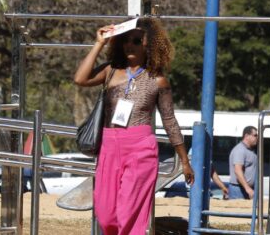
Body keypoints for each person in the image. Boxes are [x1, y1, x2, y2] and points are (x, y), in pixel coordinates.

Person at [74, 18, 194, 235]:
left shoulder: (158, 80)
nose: (130, 45)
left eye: (137, 40)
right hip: (109, 146)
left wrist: (184, 161)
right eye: (126, 40)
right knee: (106, 213)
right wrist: (99, 44)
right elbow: (80, 79)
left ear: (150, 44)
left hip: (141, 148)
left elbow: (169, 121)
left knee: (128, 214)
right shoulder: (110, 71)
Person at [228, 126, 258, 199]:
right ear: (246, 136)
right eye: (255, 135)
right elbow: (238, 171)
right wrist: (248, 189)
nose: (257, 138)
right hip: (239, 190)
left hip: (246, 190)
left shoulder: (250, 150)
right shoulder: (240, 150)